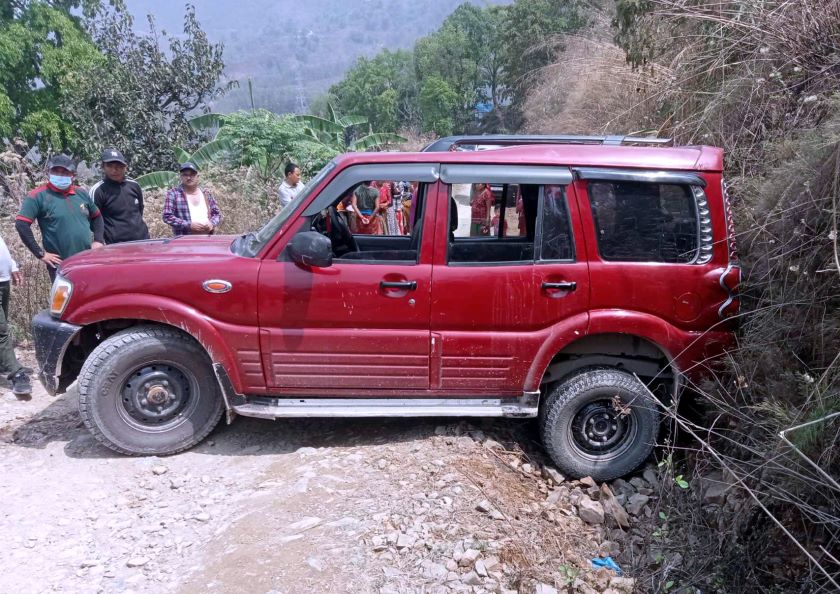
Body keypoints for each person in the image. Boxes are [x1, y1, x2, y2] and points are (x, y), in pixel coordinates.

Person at [15, 154, 104, 282]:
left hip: (88, 259)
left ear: (72, 175)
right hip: (61, 265)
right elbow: (21, 225)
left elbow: (97, 217)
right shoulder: (38, 196)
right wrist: (41, 254)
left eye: (64, 172)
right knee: (67, 300)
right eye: (56, 171)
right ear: (48, 172)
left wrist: (98, 240)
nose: (60, 175)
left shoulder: (81, 193)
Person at [89, 148, 150, 244]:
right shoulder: (98, 190)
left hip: (143, 241)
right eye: (110, 166)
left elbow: (139, 210)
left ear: (125, 167)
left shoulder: (134, 185)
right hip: (116, 245)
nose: (114, 170)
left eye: (119, 166)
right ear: (103, 167)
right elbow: (93, 220)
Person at [0, 234, 30, 397]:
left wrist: (11, 265)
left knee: (3, 324)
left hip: (3, 280)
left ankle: (4, 363)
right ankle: (15, 373)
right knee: (1, 331)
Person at [162, 162, 221, 236]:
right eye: (185, 175)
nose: (189, 178)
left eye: (192, 174)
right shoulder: (173, 194)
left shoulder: (206, 193)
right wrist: (188, 225)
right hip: (186, 241)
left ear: (197, 176)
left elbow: (216, 214)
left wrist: (212, 223)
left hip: (207, 240)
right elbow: (167, 216)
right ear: (181, 177)